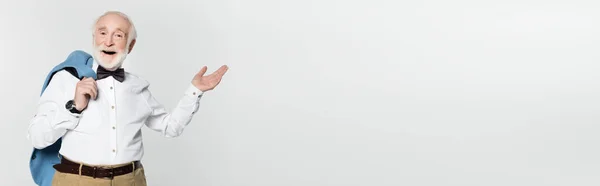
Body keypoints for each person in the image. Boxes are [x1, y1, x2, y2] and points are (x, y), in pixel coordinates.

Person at [27, 11, 228, 186]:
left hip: (130, 180)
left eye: (118, 35)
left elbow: (171, 127)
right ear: (93, 39)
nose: (108, 41)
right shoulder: (67, 79)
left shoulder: (137, 88)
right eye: (103, 33)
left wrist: (195, 91)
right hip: (75, 180)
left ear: (130, 45)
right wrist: (74, 107)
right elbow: (37, 137)